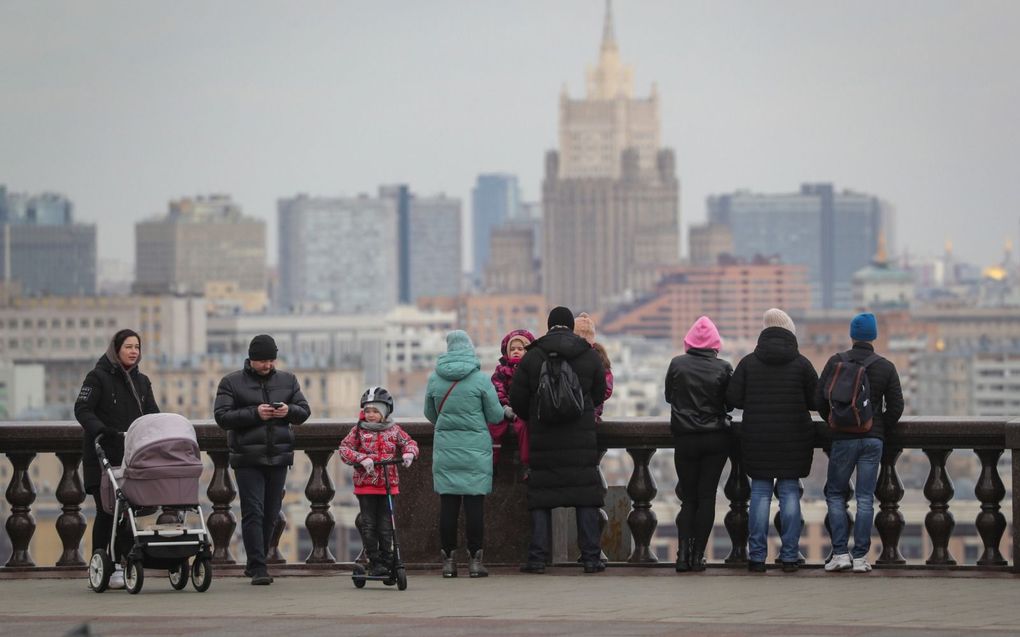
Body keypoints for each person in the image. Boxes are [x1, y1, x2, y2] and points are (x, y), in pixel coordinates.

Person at [509, 306, 608, 574]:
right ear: (569, 326)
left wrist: (535, 414)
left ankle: (538, 558)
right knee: (586, 497)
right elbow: (599, 393)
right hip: (580, 439)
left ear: (550, 325)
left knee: (542, 498)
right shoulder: (587, 355)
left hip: (544, 438)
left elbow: (516, 399)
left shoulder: (533, 357)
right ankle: (590, 557)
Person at [726, 308, 818, 573]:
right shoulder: (801, 364)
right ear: (790, 332)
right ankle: (789, 555)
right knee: (789, 493)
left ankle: (756, 557)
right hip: (794, 438)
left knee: (760, 494)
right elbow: (816, 400)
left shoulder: (748, 363)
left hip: (757, 437)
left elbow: (733, 399)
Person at [213, 334, 310, 585]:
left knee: (271, 513)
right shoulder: (231, 382)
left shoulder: (288, 380)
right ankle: (258, 567)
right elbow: (222, 417)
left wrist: (288, 411)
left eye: (271, 360)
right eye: (262, 361)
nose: (267, 365)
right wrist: (255, 414)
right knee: (253, 512)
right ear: (251, 359)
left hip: (278, 457)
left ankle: (257, 561)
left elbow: (304, 412)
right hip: (247, 458)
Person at [817, 312, 904, 573]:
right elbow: (897, 406)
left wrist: (835, 422)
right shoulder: (885, 366)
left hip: (843, 439)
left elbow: (819, 399)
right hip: (872, 439)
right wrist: (878, 427)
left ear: (852, 336)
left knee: (835, 494)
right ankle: (859, 558)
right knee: (865, 499)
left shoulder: (836, 362)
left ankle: (840, 553)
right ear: (873, 335)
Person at [75, 329, 160, 589]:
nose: (133, 351)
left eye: (137, 347)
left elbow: (152, 414)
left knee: (127, 513)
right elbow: (82, 409)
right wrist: (101, 430)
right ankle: (103, 566)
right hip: (101, 457)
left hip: (130, 458)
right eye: (128, 347)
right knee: (106, 512)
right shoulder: (97, 377)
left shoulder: (142, 382)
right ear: (116, 349)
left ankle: (124, 564)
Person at [424, 330, 505, 578]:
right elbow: (496, 416)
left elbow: (430, 414)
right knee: (474, 508)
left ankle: (448, 563)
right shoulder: (480, 379)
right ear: (469, 349)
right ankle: (475, 563)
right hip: (475, 451)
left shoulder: (434, 380)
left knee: (448, 507)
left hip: (446, 448)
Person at [665, 316, 733, 573]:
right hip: (715, 437)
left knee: (688, 499)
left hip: (685, 438)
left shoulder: (677, 364)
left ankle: (682, 556)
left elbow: (668, 396)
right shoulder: (724, 367)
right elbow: (730, 403)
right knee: (707, 498)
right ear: (715, 343)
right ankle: (698, 556)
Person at [338, 387, 419, 577]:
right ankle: (374, 560)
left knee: (386, 524)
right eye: (367, 411)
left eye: (375, 411)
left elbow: (410, 443)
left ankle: (388, 557)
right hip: (365, 485)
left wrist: (409, 453)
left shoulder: (394, 430)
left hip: (387, 485)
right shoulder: (358, 431)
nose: (371, 415)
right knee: (369, 524)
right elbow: (344, 449)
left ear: (385, 412)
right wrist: (361, 458)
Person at [489, 329, 535, 480]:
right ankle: (492, 464)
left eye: (520, 349)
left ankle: (527, 464)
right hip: (504, 409)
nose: (516, 352)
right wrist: (505, 407)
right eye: (513, 349)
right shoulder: (501, 370)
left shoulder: (531, 370)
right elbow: (497, 390)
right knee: (494, 427)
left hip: (522, 410)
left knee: (523, 427)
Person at [574, 312, 613, 422]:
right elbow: (607, 389)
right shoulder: (600, 356)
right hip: (593, 414)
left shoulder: (570, 355)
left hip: (573, 412)